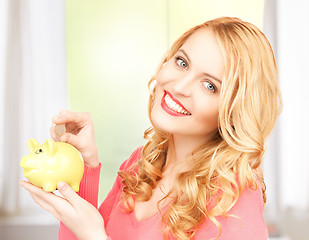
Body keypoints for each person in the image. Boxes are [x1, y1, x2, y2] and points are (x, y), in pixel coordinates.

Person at [20, 16, 282, 240]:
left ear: (235, 112)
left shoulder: (234, 198)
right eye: (182, 62)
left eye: (210, 85)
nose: (179, 86)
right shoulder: (141, 164)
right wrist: (85, 167)